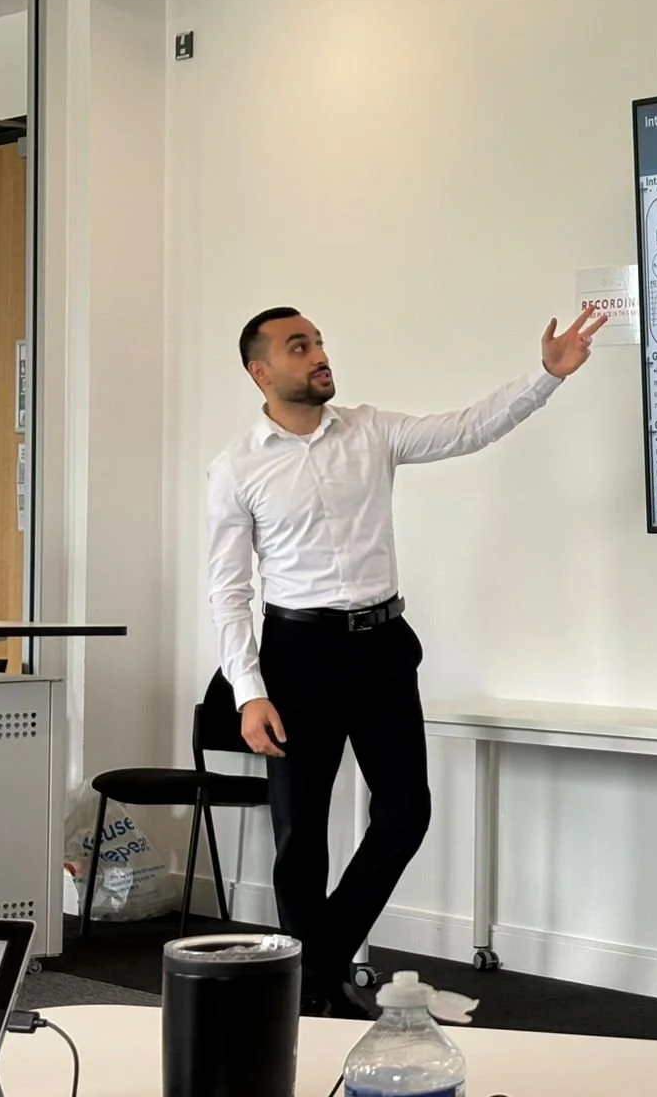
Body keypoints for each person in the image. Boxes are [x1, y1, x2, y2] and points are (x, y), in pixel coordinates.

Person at [205, 303, 605, 1017]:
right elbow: (229, 590)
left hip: (382, 649)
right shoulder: (236, 468)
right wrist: (248, 690)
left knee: (405, 814)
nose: (319, 354)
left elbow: (469, 427)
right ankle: (318, 995)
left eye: (319, 341)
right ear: (260, 371)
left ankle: (313, 970)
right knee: (300, 836)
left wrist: (545, 376)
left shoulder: (371, 431)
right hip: (296, 654)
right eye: (299, 346)